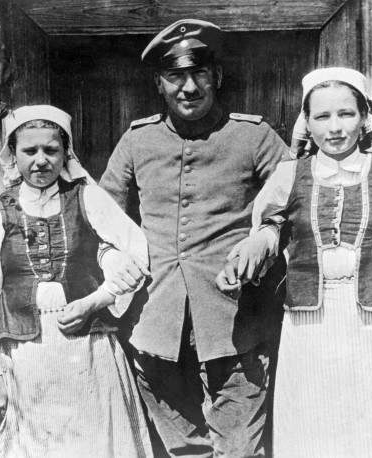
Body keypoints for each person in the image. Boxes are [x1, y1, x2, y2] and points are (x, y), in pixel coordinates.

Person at [217, 67, 372, 457]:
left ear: (365, 118)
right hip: (309, 327)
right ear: (307, 121)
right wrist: (254, 249)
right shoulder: (289, 176)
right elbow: (268, 233)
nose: (335, 128)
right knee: (313, 431)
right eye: (322, 116)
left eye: (346, 114)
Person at [98, 18, 289, 457]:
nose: (188, 87)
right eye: (175, 75)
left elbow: (297, 199)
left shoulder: (254, 136)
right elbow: (99, 215)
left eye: (199, 72)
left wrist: (269, 233)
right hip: (154, 329)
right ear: (159, 84)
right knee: (185, 451)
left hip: (235, 327)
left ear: (216, 76)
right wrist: (110, 255)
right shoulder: (137, 141)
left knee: (237, 450)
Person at [0, 105, 153, 457]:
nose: (40, 161)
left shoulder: (87, 197)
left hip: (87, 352)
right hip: (25, 356)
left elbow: (138, 253)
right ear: (13, 154)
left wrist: (99, 298)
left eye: (51, 150)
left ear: (66, 153)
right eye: (29, 151)